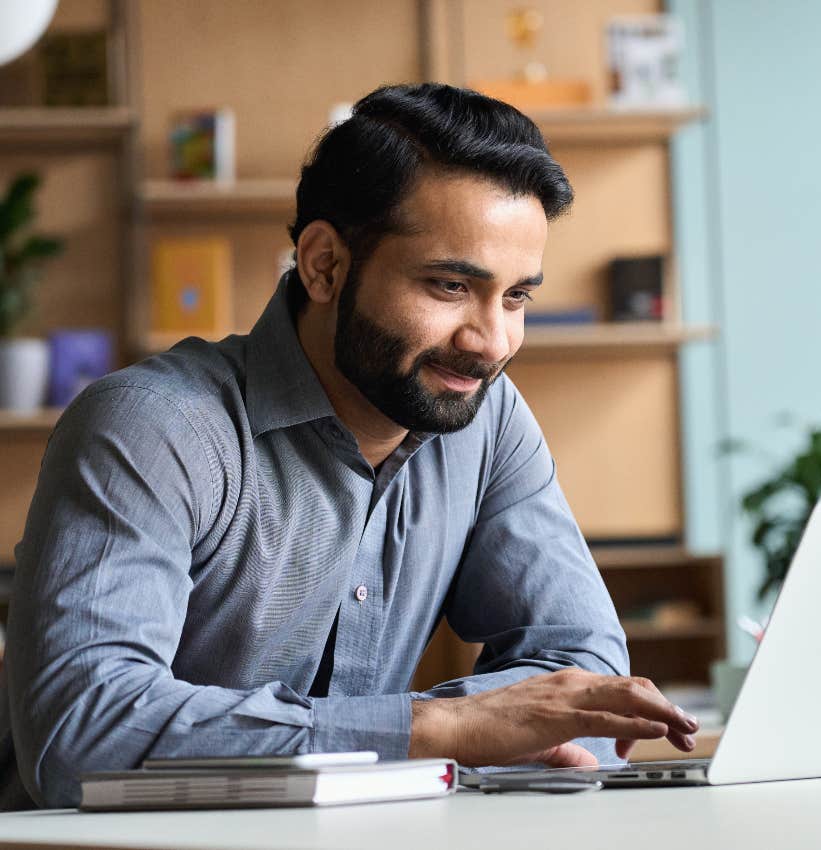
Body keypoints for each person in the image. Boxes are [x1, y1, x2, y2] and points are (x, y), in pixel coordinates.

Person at [0, 83, 698, 809]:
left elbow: (584, 671)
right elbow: (81, 734)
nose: (492, 341)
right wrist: (435, 728)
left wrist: (469, 726)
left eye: (516, 297)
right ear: (324, 264)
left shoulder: (487, 421)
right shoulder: (152, 427)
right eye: (451, 285)